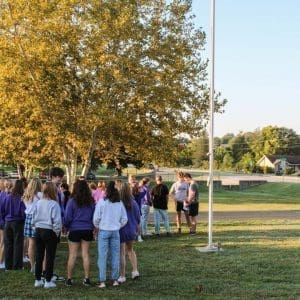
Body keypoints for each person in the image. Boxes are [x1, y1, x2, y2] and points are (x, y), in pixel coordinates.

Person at [93, 181, 127, 289]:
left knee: (102, 256)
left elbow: (96, 218)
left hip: (103, 230)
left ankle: (102, 281)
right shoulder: (119, 203)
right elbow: (125, 219)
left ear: (106, 190)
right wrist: (118, 225)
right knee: (115, 255)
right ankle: (115, 279)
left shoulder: (102, 202)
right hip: (115, 231)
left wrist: (98, 226)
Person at [64, 179, 95, 286]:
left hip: (74, 229)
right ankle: (87, 278)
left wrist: (66, 227)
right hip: (87, 229)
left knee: (72, 255)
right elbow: (93, 216)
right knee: (85, 254)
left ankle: (69, 279)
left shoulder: (72, 201)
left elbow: (67, 217)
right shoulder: (91, 201)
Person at [32, 182, 62, 288]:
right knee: (49, 256)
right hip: (49, 231)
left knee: (39, 256)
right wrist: (57, 232)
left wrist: (35, 227)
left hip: (38, 230)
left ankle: (38, 279)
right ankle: (48, 281)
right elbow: (57, 221)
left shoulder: (39, 202)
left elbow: (33, 217)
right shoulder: (54, 204)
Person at [118, 182, 141, 283]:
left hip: (120, 230)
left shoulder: (118, 203)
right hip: (131, 230)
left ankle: (122, 275)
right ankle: (135, 270)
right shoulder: (134, 203)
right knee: (130, 250)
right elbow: (138, 218)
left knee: (121, 253)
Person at [2, 179, 26, 270]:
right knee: (18, 244)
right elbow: (23, 212)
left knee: (8, 244)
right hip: (18, 222)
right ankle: (17, 266)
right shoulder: (21, 198)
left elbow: (3, 209)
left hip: (7, 222)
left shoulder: (7, 197)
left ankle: (8, 266)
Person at [23, 178, 43, 272]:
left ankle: (32, 266)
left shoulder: (26, 194)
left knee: (31, 243)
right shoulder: (40, 195)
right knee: (39, 243)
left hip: (28, 218)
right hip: (37, 219)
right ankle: (39, 264)